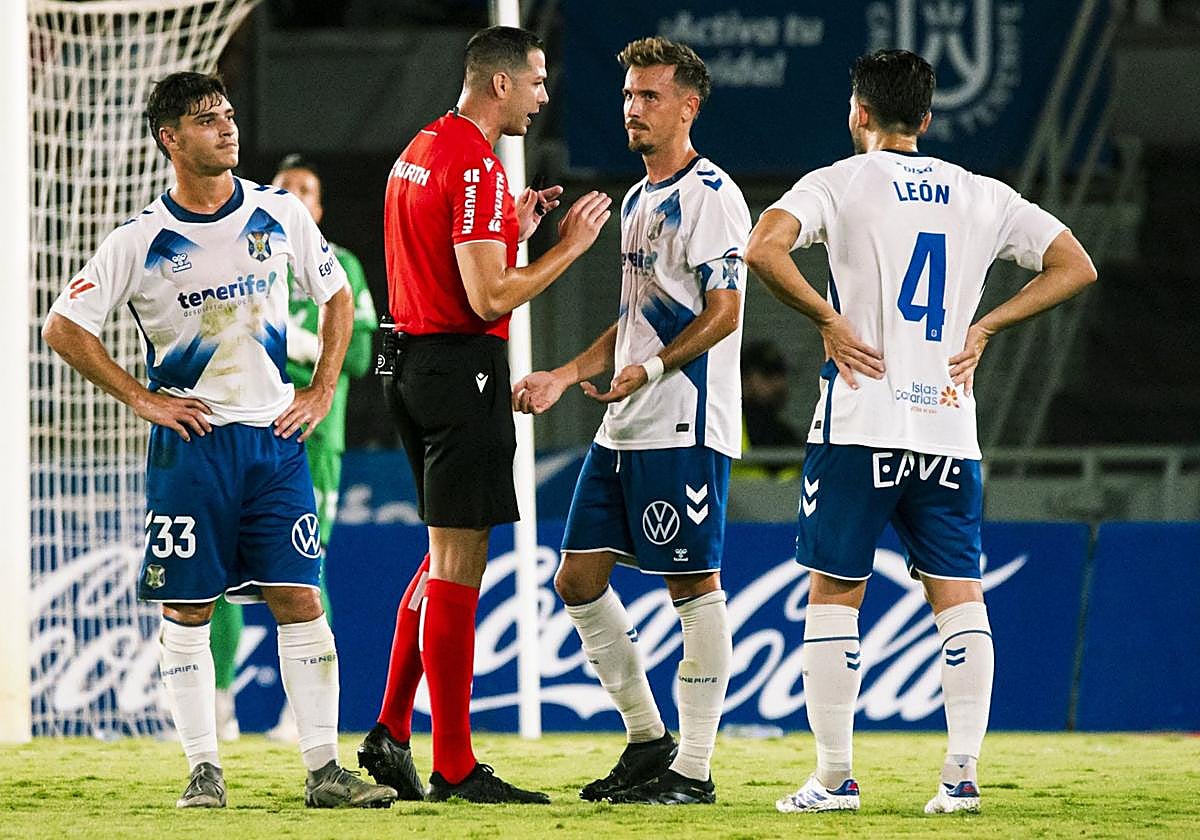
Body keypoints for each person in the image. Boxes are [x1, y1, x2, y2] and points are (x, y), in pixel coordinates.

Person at [744, 49, 1097, 815]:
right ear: (928, 119)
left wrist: (828, 319)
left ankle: (835, 778)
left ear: (858, 112)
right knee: (961, 599)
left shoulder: (838, 180)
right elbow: (1077, 265)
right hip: (947, 427)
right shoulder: (982, 194)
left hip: (860, 419)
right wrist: (990, 324)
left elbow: (763, 247)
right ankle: (961, 777)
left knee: (835, 593)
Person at [41, 71, 397, 810]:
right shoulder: (138, 240)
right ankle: (205, 770)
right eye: (207, 119)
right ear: (170, 138)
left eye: (229, 115)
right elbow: (63, 328)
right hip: (192, 450)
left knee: (301, 597)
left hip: (274, 441)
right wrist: (143, 399)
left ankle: (323, 770)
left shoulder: (278, 214)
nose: (228, 128)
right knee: (191, 609)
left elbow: (336, 296)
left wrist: (323, 388)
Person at [354, 26, 611, 804]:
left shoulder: (424, 146)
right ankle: (456, 765)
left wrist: (512, 229)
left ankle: (393, 730)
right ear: (500, 83)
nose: (542, 96)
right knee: (460, 563)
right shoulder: (472, 161)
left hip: (410, 364)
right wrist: (566, 249)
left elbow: (443, 252)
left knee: (443, 556)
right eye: (535, 82)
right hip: (456, 367)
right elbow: (489, 296)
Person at [512, 36, 749, 806]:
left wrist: (649, 370)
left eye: (649, 96)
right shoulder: (643, 199)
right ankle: (650, 741)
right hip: (625, 422)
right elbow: (633, 324)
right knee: (577, 578)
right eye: (627, 97)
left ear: (690, 104)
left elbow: (724, 312)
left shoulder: (712, 194)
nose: (633, 109)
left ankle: (695, 769)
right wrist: (564, 373)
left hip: (683, 420)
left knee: (691, 583)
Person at [208, 154, 378, 744]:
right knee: (220, 568)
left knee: (306, 568)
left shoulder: (345, 269)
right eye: (284, 189)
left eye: (307, 189)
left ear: (320, 209)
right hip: (242, 435)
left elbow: (360, 359)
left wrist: (300, 342)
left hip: (312, 442)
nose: (295, 198)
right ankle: (219, 705)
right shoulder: (245, 261)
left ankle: (302, 715)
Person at [736, 339, 802, 478]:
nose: (778, 383)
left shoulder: (784, 434)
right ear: (744, 378)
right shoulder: (725, 427)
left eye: (781, 374)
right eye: (767, 374)